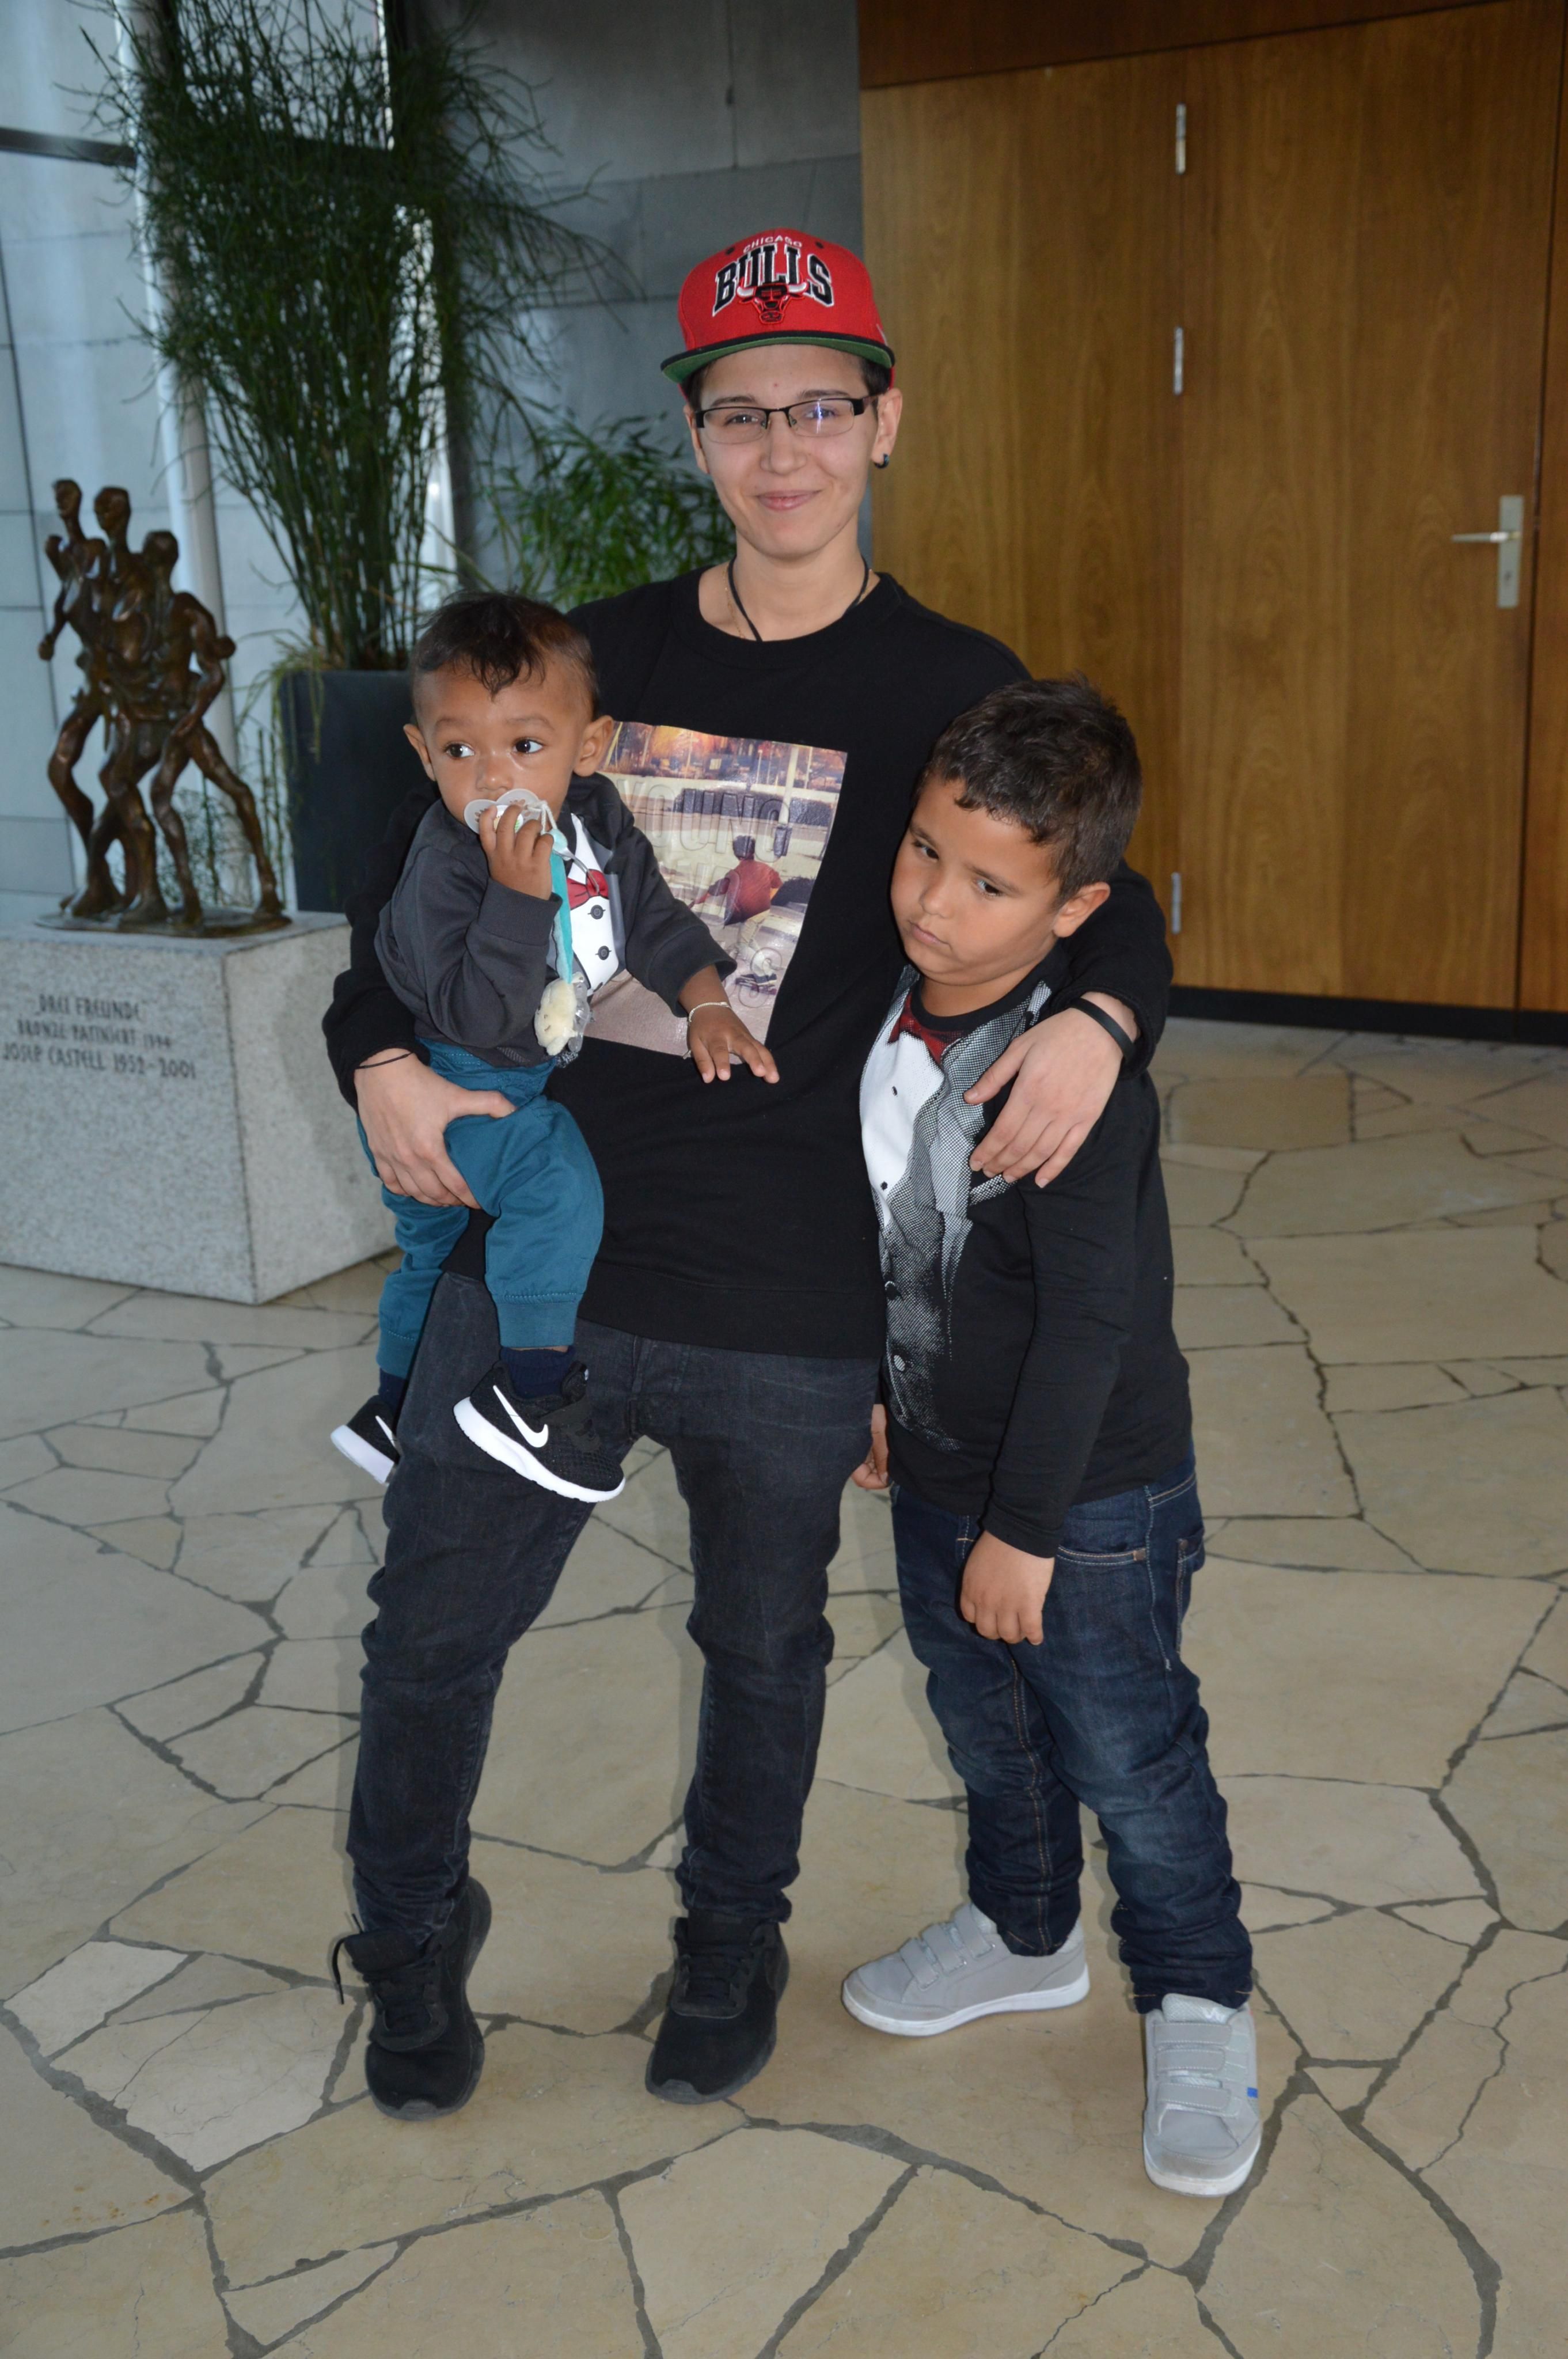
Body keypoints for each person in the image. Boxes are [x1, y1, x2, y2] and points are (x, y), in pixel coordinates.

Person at [323, 227, 1174, 2123]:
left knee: (764, 1645)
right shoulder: (584, 660)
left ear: (884, 421)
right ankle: (407, 1940)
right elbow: (397, 910)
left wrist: (1104, 1022)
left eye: (818, 409)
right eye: (738, 414)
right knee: (431, 1632)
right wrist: (376, 1056)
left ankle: (729, 1940)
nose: (780, 452)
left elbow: (1105, 895)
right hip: (547, 1236)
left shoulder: (949, 680)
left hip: (790, 1277)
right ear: (695, 434)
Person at [842, 677, 1258, 2200]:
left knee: (1129, 1759)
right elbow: (889, 1226)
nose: (932, 903)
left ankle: (1200, 1998)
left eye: (989, 885)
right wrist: (880, 1383)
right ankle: (1024, 1934)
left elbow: (1088, 1326)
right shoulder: (887, 1009)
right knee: (986, 1729)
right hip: (936, 1465)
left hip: (1087, 1501)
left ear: (1076, 908)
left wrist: (1026, 1532)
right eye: (923, 852)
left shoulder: (1071, 1088)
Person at [329, 593, 768, 1503]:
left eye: (526, 745)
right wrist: (518, 896)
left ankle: (392, 1412)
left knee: (431, 1252)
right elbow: (479, 1017)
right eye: (460, 752)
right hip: (455, 1083)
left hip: (515, 1077)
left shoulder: (595, 817)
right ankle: (532, 1393)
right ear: (424, 753)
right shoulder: (445, 861)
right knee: (554, 1181)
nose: (494, 777)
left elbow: (654, 917)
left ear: (590, 746)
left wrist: (706, 1002)